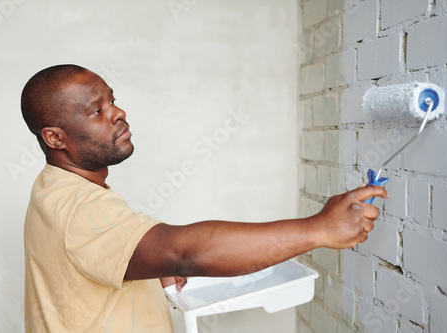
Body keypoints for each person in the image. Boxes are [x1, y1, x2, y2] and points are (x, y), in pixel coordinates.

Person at [21, 64, 388, 333]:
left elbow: (98, 254)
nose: (119, 112)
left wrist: (150, 267)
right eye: (97, 110)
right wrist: (319, 229)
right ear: (55, 138)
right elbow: (186, 252)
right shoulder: (79, 207)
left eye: (112, 100)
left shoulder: (54, 187)